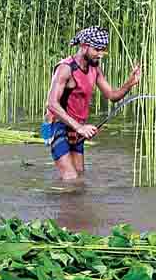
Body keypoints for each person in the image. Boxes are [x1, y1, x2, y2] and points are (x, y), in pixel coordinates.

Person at [43, 26, 142, 180]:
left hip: (77, 128)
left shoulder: (95, 69)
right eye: (97, 50)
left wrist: (130, 83)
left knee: (80, 175)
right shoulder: (65, 69)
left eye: (103, 50)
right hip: (57, 126)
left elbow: (112, 95)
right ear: (84, 46)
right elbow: (51, 104)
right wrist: (80, 127)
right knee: (71, 178)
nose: (100, 54)